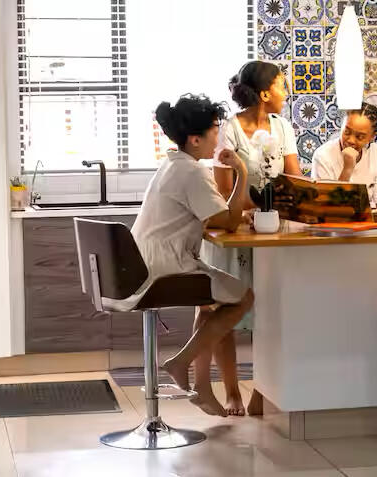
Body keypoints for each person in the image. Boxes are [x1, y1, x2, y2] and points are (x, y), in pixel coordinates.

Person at [120, 94, 254, 417]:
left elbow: (212, 216)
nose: (217, 139)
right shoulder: (193, 172)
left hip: (140, 264)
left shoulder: (172, 164)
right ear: (195, 139)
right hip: (164, 270)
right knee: (243, 298)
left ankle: (202, 388)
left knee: (209, 304)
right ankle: (180, 362)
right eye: (214, 132)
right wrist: (242, 172)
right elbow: (228, 221)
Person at [198, 60, 302, 417]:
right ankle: (232, 392)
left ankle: (262, 391)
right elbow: (225, 193)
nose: (286, 92)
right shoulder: (229, 131)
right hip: (235, 235)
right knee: (225, 312)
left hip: (271, 235)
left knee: (268, 315)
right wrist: (262, 203)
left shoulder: (283, 127)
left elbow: (294, 179)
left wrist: (288, 201)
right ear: (264, 93)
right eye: (281, 85)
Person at [310, 102, 377, 222]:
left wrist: (373, 218)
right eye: (347, 132)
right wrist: (347, 169)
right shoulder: (322, 155)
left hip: (365, 228)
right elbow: (329, 211)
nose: (351, 140)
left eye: (360, 137)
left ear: (372, 137)